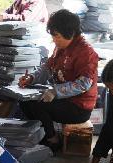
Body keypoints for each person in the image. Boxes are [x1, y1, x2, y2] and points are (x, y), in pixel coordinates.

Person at [19, 10, 98, 150]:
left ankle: (52, 139)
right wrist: (31, 78)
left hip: (78, 107)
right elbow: (47, 68)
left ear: (71, 33)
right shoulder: (61, 47)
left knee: (39, 105)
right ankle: (43, 134)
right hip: (62, 99)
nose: (54, 40)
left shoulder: (86, 53)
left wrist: (56, 91)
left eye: (57, 36)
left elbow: (84, 84)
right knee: (25, 100)